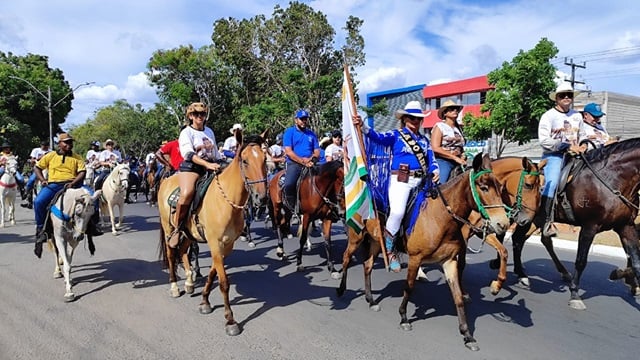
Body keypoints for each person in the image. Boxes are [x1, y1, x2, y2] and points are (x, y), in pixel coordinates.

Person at [352, 100, 440, 272]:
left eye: (418, 119)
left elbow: (432, 159)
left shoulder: (424, 140)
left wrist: (435, 170)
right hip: (401, 181)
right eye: (412, 118)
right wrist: (363, 127)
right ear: (405, 119)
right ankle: (391, 250)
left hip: (422, 182)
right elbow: (377, 137)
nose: (416, 122)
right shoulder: (396, 135)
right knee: (398, 212)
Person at [170, 102, 224, 248]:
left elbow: (215, 153)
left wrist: (224, 160)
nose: (200, 116)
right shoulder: (186, 132)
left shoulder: (209, 131)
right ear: (190, 116)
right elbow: (188, 153)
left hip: (211, 166)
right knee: (187, 193)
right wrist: (207, 164)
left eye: (202, 114)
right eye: (196, 114)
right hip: (192, 168)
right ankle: (177, 228)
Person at [32, 133, 90, 258]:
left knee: (92, 199)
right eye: (67, 142)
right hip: (54, 185)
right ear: (60, 144)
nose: (69, 145)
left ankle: (92, 227)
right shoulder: (51, 155)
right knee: (38, 202)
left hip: (73, 184)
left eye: (71, 142)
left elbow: (82, 172)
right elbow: (37, 168)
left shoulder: (77, 157)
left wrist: (73, 182)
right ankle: (41, 230)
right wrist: (42, 180)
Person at [537, 82, 584, 237]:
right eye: (562, 95)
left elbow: (582, 136)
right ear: (556, 98)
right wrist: (564, 146)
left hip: (576, 156)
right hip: (554, 156)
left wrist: (583, 146)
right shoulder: (548, 116)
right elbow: (543, 140)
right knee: (552, 183)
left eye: (569, 95)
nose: (566, 98)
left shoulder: (577, 116)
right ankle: (545, 221)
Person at [282, 109, 321, 212]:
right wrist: (303, 161)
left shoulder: (311, 134)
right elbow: (289, 152)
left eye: (305, 119)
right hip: (294, 163)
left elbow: (317, 151)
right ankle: (292, 208)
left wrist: (312, 159)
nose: (304, 121)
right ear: (296, 120)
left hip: (311, 163)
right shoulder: (289, 132)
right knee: (289, 184)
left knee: (325, 180)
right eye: (301, 119)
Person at [430, 100, 466, 183]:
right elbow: (435, 147)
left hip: (459, 162)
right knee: (441, 185)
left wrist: (463, 154)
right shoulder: (440, 126)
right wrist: (454, 157)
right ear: (445, 113)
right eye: (452, 109)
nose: (455, 111)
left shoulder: (459, 128)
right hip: (444, 161)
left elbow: (460, 146)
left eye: (456, 109)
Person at [21, 140, 51, 208]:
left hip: (48, 169)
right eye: (43, 146)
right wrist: (41, 157)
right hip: (38, 169)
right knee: (31, 181)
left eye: (45, 146)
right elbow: (32, 160)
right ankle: (27, 195)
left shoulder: (51, 152)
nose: (44, 147)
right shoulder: (36, 150)